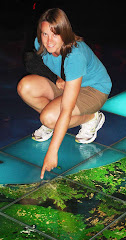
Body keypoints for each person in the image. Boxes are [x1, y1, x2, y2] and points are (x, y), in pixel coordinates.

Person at [17, 8, 112, 179]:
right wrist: (58, 77)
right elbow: (43, 64)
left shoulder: (75, 55)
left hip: (94, 89)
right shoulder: (41, 43)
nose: (49, 40)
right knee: (25, 86)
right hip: (70, 82)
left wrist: (52, 152)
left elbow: (66, 110)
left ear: (65, 33)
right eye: (45, 34)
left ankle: (92, 118)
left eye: (55, 34)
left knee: (49, 117)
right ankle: (53, 120)